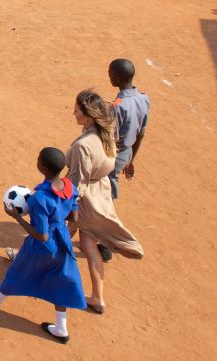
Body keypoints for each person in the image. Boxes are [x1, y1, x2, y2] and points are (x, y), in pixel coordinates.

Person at [0, 146, 86, 345]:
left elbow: (41, 234)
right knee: (60, 281)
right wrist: (57, 216)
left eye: (38, 160)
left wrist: (16, 217)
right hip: (63, 243)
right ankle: (61, 328)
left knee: (17, 270)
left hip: (43, 246)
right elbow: (74, 216)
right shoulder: (70, 187)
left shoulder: (39, 199)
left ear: (44, 169)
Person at [67, 89, 144, 315]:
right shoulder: (107, 133)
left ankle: (24, 263)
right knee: (89, 246)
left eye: (78, 110)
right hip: (100, 194)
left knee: (54, 234)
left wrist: (65, 203)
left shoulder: (84, 145)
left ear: (90, 116)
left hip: (83, 202)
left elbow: (78, 182)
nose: (74, 112)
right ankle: (98, 298)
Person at [107, 59, 149, 200]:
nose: (109, 76)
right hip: (127, 153)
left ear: (117, 78)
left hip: (114, 156)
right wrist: (130, 160)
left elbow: (111, 139)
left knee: (107, 190)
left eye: (110, 74)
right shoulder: (143, 98)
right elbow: (141, 133)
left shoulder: (117, 106)